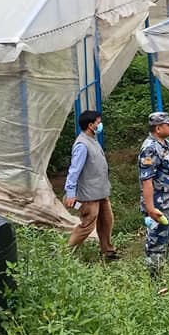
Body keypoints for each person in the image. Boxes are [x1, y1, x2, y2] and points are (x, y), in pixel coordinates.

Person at [64, 110, 115, 260]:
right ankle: (65, 253)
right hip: (88, 195)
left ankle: (108, 251)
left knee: (107, 220)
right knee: (87, 225)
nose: (100, 125)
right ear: (90, 125)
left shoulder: (92, 139)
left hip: (100, 192)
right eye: (98, 123)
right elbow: (74, 171)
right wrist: (71, 193)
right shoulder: (82, 145)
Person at [139, 112, 169, 277]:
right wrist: (151, 208)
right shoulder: (149, 149)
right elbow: (147, 180)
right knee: (157, 241)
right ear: (158, 128)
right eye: (168, 125)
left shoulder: (166, 144)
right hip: (160, 205)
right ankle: (155, 278)